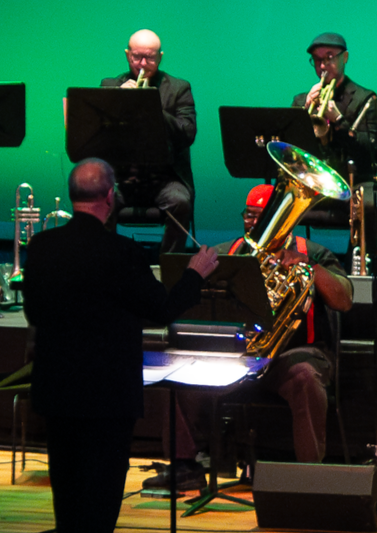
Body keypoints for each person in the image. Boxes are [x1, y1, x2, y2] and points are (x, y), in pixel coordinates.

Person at [24, 159, 220, 533]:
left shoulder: (42, 246)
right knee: (101, 497)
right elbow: (162, 309)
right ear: (110, 197)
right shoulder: (122, 253)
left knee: (68, 496)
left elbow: (33, 312)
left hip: (58, 391)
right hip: (106, 396)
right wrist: (195, 273)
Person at [150, 184, 355, 494]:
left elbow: (344, 300)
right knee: (175, 367)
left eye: (262, 216)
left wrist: (309, 267)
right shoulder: (226, 253)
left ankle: (310, 476)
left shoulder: (312, 252)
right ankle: (184, 467)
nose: (253, 223)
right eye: (249, 215)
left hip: (291, 356)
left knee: (305, 376)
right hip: (235, 356)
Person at [100, 29, 197, 253]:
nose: (143, 64)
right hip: (123, 178)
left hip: (164, 178)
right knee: (97, 199)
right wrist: (116, 100)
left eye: (150, 58)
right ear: (127, 55)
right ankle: (107, 260)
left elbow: (188, 133)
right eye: (137, 57)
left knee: (181, 202)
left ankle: (168, 262)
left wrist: (151, 106)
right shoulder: (110, 86)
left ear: (160, 57)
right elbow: (100, 135)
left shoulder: (179, 88)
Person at [293, 31, 377, 254]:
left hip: (352, 182)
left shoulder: (365, 99)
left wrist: (339, 120)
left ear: (345, 57)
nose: (323, 66)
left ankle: (357, 266)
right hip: (314, 181)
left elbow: (369, 150)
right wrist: (304, 111)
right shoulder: (301, 100)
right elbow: (291, 149)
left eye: (329, 57)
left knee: (367, 203)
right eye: (317, 60)